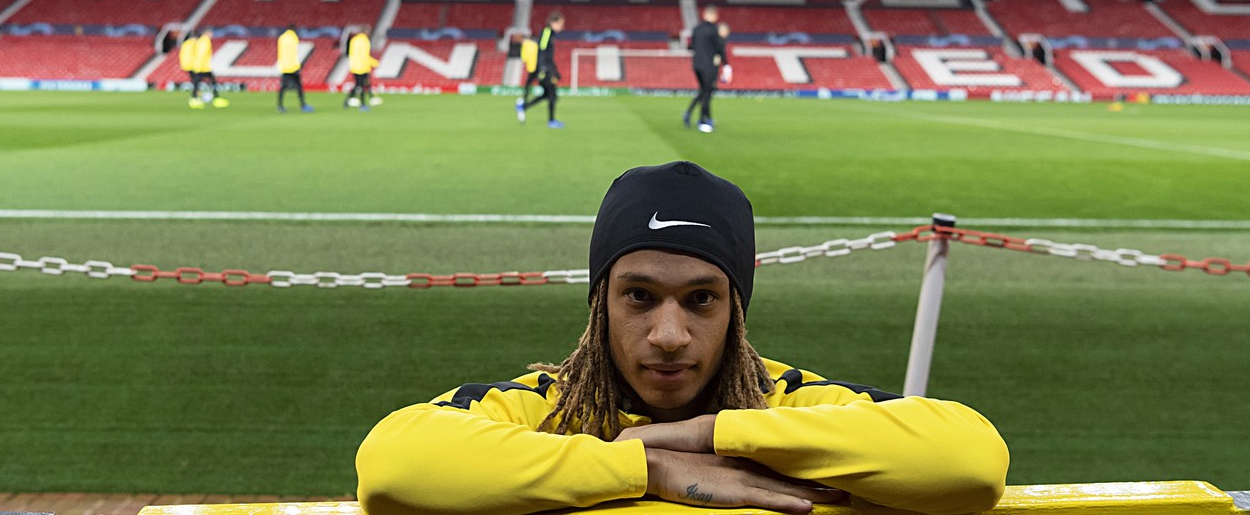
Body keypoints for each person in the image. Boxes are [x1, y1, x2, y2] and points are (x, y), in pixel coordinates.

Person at [356, 161, 1008, 515]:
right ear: (599, 305)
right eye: (639, 295)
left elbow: (970, 461)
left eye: (701, 299)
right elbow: (394, 467)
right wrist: (646, 468)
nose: (669, 335)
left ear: (737, 311)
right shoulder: (548, 406)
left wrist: (712, 434)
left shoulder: (785, 400)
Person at [517, 12, 565, 129]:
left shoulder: (550, 34)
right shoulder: (547, 32)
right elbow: (542, 51)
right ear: (554, 23)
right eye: (560, 24)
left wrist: (555, 71)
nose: (562, 27)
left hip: (547, 68)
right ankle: (551, 121)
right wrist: (543, 69)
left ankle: (523, 107)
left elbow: (548, 54)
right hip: (544, 70)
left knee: (547, 95)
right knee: (552, 95)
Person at [683, 5, 725, 133]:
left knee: (703, 91)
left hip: (696, 65)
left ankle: (690, 113)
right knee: (707, 92)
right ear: (714, 16)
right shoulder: (713, 30)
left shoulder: (696, 29)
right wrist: (725, 63)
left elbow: (691, 47)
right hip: (709, 66)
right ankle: (703, 120)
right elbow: (719, 48)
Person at [277, 24, 313, 114]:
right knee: (299, 87)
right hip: (293, 66)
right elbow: (294, 52)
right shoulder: (293, 37)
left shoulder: (281, 37)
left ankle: (280, 106)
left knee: (283, 87)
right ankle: (303, 105)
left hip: (284, 66)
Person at [346, 25, 381, 111]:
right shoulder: (365, 41)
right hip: (362, 66)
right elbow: (364, 56)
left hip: (354, 66)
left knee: (359, 85)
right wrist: (375, 63)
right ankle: (363, 105)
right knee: (361, 85)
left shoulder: (354, 40)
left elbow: (351, 54)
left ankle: (347, 101)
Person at [193, 28, 226, 108]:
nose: (212, 34)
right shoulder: (205, 40)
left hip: (200, 66)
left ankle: (196, 99)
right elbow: (202, 54)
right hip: (203, 67)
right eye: (210, 33)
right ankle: (215, 99)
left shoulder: (200, 41)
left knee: (198, 83)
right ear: (206, 33)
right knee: (210, 82)